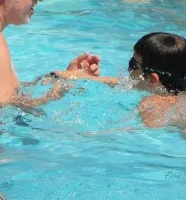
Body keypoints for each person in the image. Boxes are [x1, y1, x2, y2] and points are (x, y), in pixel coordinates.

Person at [54, 32, 186, 129]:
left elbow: (136, 134)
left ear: (152, 80)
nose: (128, 69)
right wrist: (83, 77)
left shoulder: (152, 103)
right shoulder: (175, 90)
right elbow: (125, 82)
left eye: (133, 64)